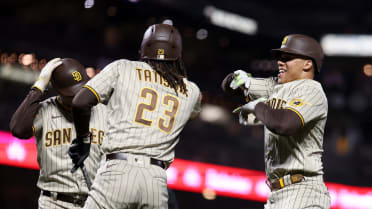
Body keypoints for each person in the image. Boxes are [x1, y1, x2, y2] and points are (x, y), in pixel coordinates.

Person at [68, 21, 201, 209]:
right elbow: (191, 113)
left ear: (144, 48)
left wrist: (84, 140)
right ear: (178, 55)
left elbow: (80, 101)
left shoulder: (123, 68)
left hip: (118, 171)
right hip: (156, 182)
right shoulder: (192, 90)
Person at [222, 34, 331, 208]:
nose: (280, 62)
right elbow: (229, 87)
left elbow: (285, 124)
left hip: (303, 191)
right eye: (280, 57)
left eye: (287, 57)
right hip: (277, 194)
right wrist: (235, 78)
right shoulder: (276, 86)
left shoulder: (312, 90)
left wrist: (258, 106)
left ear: (308, 64)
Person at [10, 58, 107, 209]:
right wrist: (39, 86)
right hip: (54, 202)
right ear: (58, 90)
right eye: (72, 94)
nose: (77, 97)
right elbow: (18, 129)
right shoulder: (45, 110)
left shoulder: (104, 111)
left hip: (93, 202)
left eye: (82, 89)